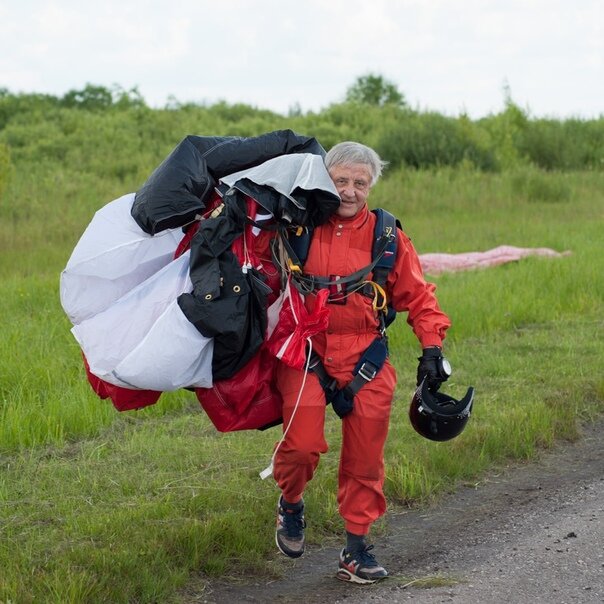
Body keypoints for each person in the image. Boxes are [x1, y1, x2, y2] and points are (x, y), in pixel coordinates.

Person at [272, 141, 452, 584]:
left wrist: (432, 350)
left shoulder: (388, 236)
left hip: (365, 356)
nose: (349, 191)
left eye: (359, 182)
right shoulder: (298, 225)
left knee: (365, 459)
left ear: (370, 185)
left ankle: (356, 548)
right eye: (340, 181)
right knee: (300, 446)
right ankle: (291, 503)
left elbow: (419, 296)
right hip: (307, 350)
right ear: (324, 181)